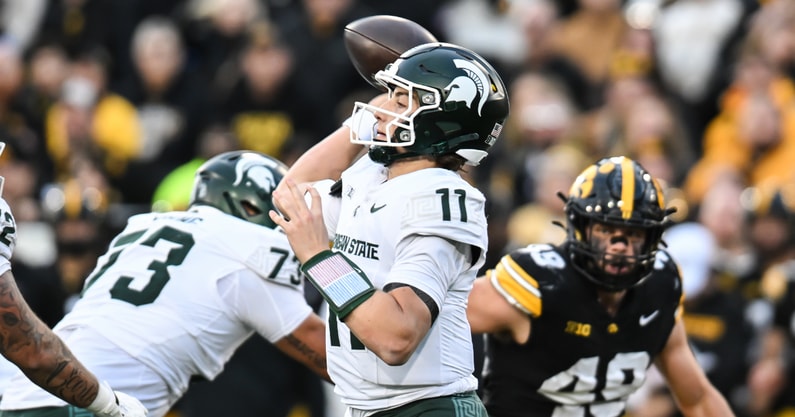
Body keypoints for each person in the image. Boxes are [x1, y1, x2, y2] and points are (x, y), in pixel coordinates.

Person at [270, 42, 510, 416]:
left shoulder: (444, 197)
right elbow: (290, 196)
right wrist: (356, 127)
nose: (380, 109)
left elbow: (396, 336)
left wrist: (320, 258)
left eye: (400, 100)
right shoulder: (374, 175)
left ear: (442, 119)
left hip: (428, 407)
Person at [0, 150, 329, 417]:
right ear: (251, 206)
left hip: (23, 396)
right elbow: (338, 361)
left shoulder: (141, 229)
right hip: (88, 402)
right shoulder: (244, 251)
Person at [465, 155, 736, 417]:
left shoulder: (659, 287)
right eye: (606, 230)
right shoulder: (540, 283)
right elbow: (434, 318)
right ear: (581, 227)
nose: (619, 247)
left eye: (633, 233)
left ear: (652, 237)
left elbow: (698, 399)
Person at [0, 141, 146, 417]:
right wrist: (108, 405)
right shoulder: (37, 279)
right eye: (68, 224)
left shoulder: (108, 271)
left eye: (81, 223)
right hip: (43, 380)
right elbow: (32, 350)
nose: (74, 233)